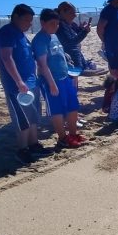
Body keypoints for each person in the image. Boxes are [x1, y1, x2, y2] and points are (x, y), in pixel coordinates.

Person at [0, 4, 53, 164]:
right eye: (26, 20)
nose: (29, 24)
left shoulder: (21, 35)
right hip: (17, 86)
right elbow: (6, 58)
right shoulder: (6, 33)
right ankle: (22, 149)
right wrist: (19, 81)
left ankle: (33, 144)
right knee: (23, 119)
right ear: (15, 17)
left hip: (31, 82)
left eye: (30, 21)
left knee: (34, 116)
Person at [33, 9, 86, 149]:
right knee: (56, 110)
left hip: (65, 77)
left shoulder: (55, 36)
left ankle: (73, 134)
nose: (55, 26)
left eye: (57, 24)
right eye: (52, 23)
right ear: (42, 22)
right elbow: (43, 65)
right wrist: (51, 84)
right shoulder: (40, 40)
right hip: (51, 80)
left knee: (72, 106)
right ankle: (62, 138)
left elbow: (64, 58)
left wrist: (72, 75)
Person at [56, 1, 105, 76]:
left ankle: (84, 67)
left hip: (75, 54)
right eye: (72, 13)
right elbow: (71, 42)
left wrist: (81, 29)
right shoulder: (60, 25)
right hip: (69, 57)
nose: (75, 15)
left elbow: (74, 33)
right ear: (62, 12)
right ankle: (80, 69)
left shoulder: (67, 23)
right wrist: (85, 31)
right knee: (74, 50)